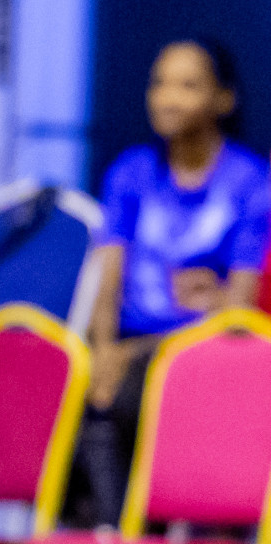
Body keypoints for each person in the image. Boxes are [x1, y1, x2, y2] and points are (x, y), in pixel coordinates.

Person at [79, 39, 269, 526]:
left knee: (138, 387)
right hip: (127, 341)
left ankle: (174, 523)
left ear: (223, 100)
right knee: (84, 386)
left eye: (188, 85)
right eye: (159, 83)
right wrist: (102, 349)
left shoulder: (250, 182)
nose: (168, 97)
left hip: (201, 346)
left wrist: (220, 301)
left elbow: (240, 307)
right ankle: (112, 527)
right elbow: (109, 276)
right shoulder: (131, 173)